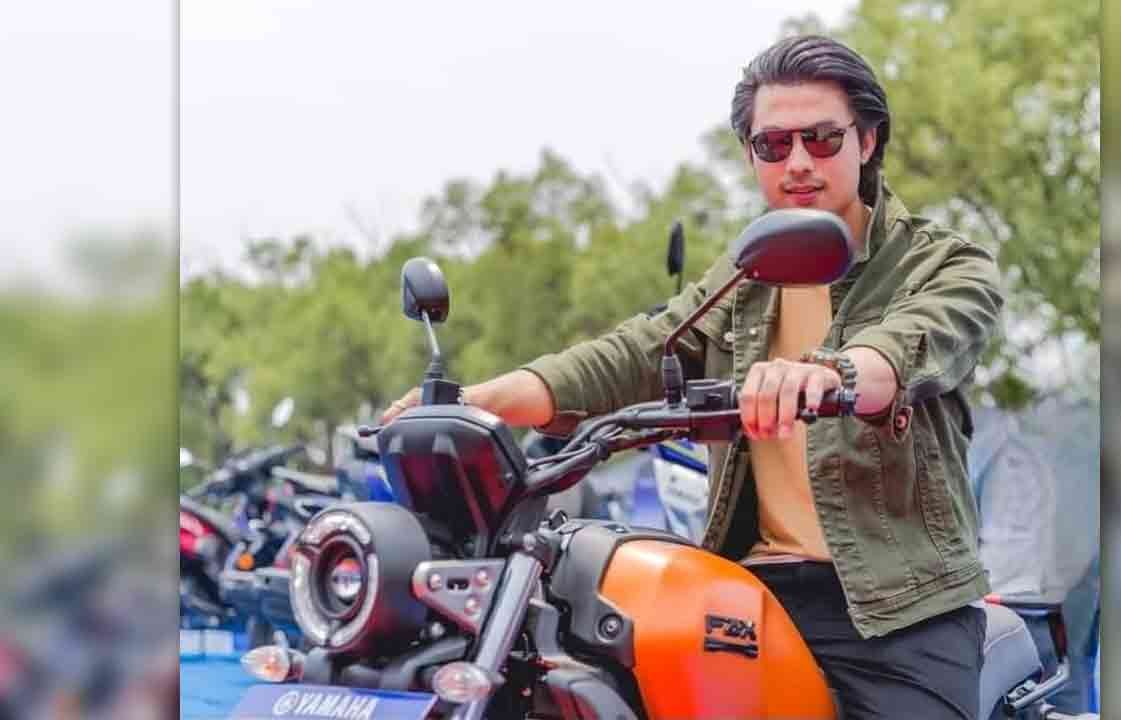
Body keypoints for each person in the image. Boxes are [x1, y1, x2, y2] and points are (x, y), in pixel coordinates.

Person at [384, 34, 1003, 719]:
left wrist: (829, 374)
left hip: (898, 610)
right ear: (750, 155)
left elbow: (912, 344)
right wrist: (481, 399)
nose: (798, 161)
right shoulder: (746, 276)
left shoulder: (942, 264)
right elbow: (640, 352)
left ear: (868, 139)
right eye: (774, 145)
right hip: (755, 590)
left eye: (823, 138)